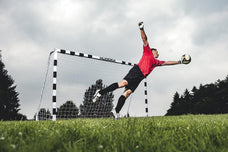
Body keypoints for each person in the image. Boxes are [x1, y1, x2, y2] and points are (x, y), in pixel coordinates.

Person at [93, 22, 184, 119]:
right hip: (136, 71)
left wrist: (179, 62)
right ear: (152, 51)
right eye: (157, 51)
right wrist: (141, 29)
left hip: (140, 77)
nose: (158, 53)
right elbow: (144, 39)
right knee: (122, 84)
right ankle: (100, 93)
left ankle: (116, 111)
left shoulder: (157, 62)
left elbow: (167, 63)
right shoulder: (147, 51)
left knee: (127, 93)